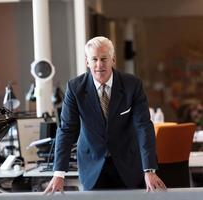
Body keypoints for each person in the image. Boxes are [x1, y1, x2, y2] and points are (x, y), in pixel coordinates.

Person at [44, 36, 166, 193]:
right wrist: (59, 173)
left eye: (104, 59)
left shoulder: (132, 85)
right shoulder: (75, 88)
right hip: (92, 166)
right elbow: (66, 130)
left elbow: (143, 127)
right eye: (94, 59)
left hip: (127, 164)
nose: (99, 64)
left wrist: (149, 170)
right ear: (87, 62)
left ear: (113, 60)